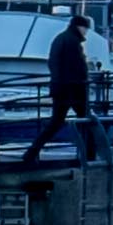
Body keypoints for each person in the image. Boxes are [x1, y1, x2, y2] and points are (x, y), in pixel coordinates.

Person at [44, 10, 92, 141]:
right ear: (79, 27)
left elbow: (53, 63)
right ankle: (90, 149)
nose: (86, 32)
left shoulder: (61, 38)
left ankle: (33, 149)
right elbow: (77, 65)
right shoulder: (73, 42)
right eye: (85, 28)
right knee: (86, 119)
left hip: (61, 87)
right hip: (73, 89)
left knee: (56, 122)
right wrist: (83, 79)